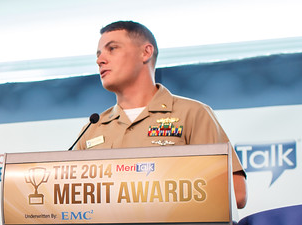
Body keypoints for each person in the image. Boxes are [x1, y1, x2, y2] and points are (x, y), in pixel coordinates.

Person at [75, 20, 247, 209]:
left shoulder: (192, 114)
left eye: (112, 49)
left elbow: (236, 194)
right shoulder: (92, 129)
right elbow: (71, 201)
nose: (100, 60)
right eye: (98, 54)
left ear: (145, 52)